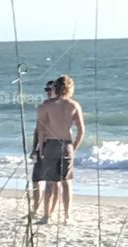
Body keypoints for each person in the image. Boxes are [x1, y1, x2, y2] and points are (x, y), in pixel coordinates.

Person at [35, 75, 85, 225]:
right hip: (67, 144)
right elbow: (81, 130)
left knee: (50, 182)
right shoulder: (74, 105)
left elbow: (40, 129)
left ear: (55, 87)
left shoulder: (46, 105)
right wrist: (74, 146)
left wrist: (41, 146)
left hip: (50, 144)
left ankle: (46, 216)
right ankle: (67, 216)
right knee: (66, 182)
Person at [29, 80, 57, 214]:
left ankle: (50, 210)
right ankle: (35, 209)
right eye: (46, 90)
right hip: (41, 146)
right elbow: (37, 129)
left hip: (53, 145)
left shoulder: (61, 107)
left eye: (50, 89)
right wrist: (34, 148)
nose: (48, 92)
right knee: (35, 179)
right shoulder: (44, 106)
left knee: (52, 181)